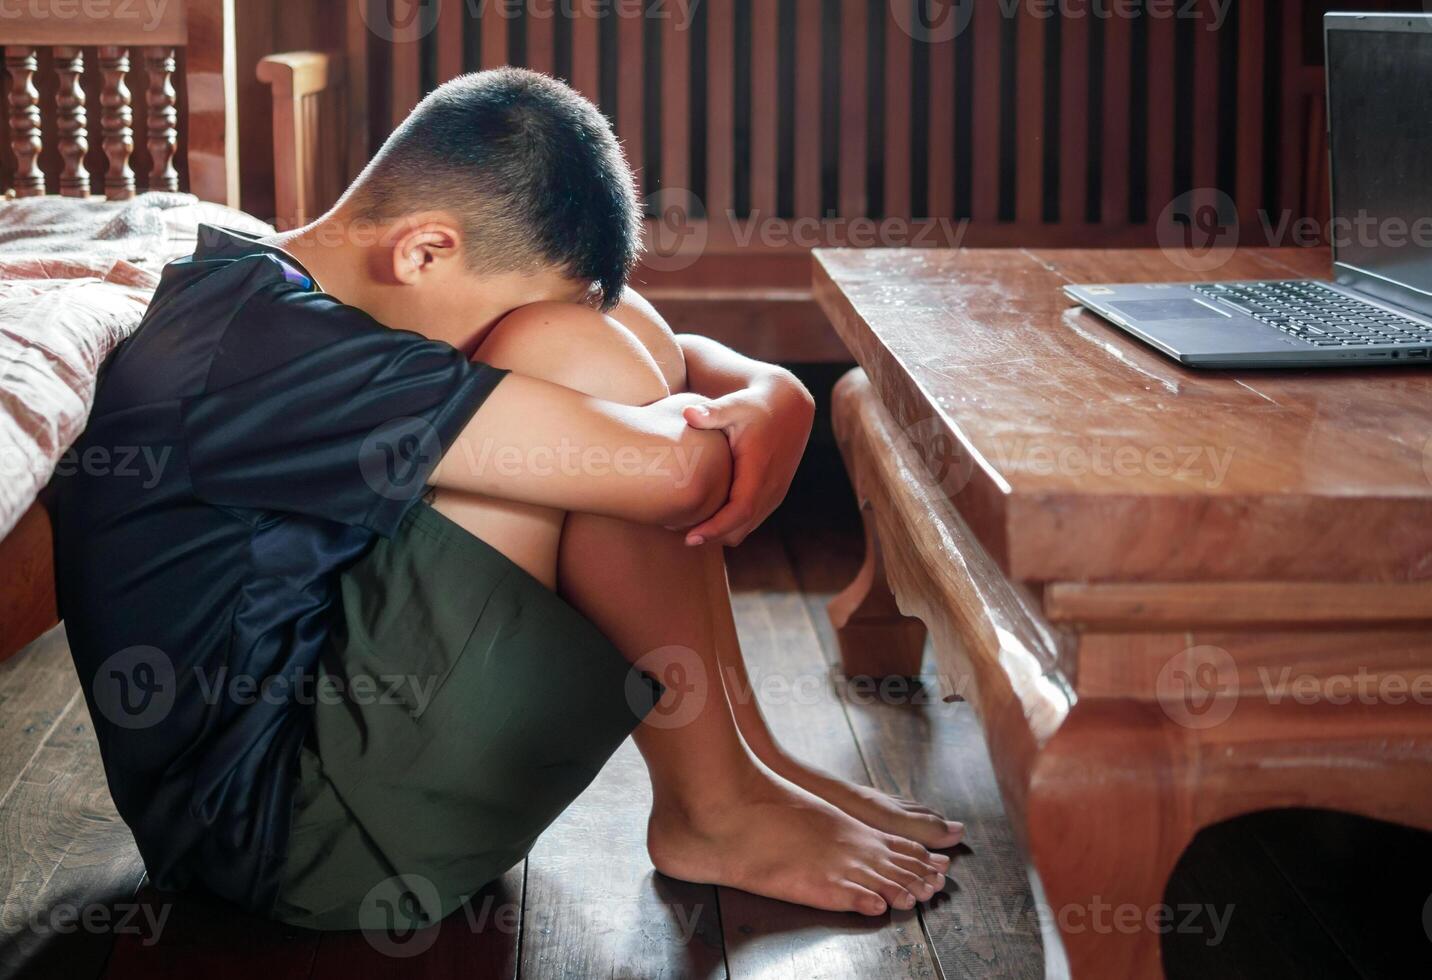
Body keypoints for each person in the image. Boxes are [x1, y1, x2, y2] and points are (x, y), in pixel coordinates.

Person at [54, 68, 961, 932]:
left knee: (614, 328)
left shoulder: (273, 298)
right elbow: (678, 472)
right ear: (424, 250)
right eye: (492, 322)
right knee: (576, 357)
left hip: (342, 740)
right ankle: (714, 806)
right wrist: (757, 414)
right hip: (304, 843)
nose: (496, 344)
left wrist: (773, 388)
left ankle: (748, 764)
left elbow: (651, 339)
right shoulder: (266, 355)